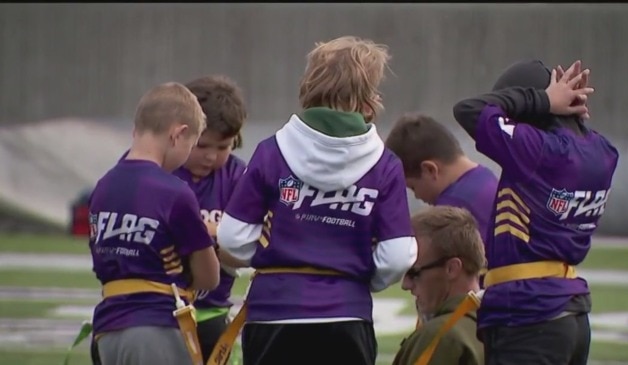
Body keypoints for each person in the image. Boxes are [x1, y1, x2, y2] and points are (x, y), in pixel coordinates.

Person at [214, 36, 417, 365]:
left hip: (273, 312)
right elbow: (396, 256)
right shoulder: (385, 163)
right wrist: (358, 277)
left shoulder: (271, 150)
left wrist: (275, 257)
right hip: (347, 316)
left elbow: (232, 238)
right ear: (366, 98)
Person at [452, 59, 619, 365]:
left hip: (528, 312)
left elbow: (468, 110)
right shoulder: (604, 152)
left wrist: (543, 101)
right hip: (571, 309)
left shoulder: (541, 150)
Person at [89, 82, 220, 365]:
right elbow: (210, 277)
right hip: (157, 325)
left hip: (107, 329)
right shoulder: (175, 191)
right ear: (178, 134)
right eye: (192, 145)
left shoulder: (103, 187)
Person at [174, 75, 248, 361]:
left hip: (212, 313)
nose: (210, 157)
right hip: (160, 310)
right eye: (202, 145)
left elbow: (253, 246)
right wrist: (216, 233)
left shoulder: (240, 177)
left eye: (223, 147)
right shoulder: (162, 170)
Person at [385, 113, 498, 244]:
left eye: (413, 187)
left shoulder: (451, 211)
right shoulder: (486, 176)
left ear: (430, 169)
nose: (416, 196)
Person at [393, 205, 485, 365]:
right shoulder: (498, 324)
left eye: (414, 273)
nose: (405, 285)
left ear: (452, 268)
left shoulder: (441, 336)